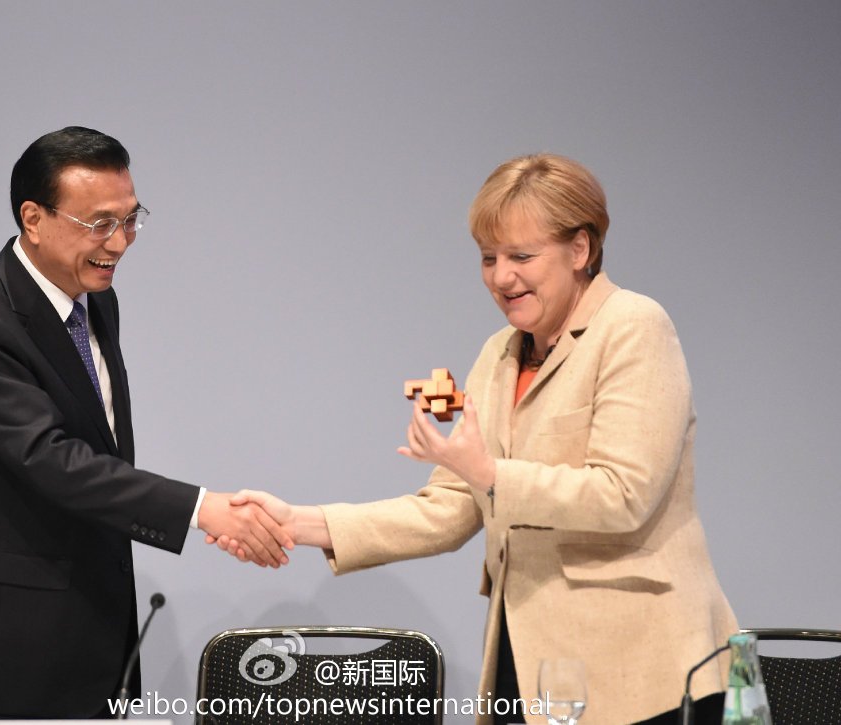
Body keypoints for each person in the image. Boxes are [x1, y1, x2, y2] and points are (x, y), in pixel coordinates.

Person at [216, 154, 737, 724]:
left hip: (640, 671)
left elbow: (623, 494)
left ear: (580, 249)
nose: (501, 277)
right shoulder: (500, 354)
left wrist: (487, 474)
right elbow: (450, 508)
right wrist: (298, 523)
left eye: (522, 256)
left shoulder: (633, 326)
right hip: (529, 659)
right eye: (489, 258)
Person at [0, 126, 291, 721]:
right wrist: (202, 509)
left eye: (130, 219)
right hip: (11, 640)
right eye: (99, 224)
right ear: (33, 218)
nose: (119, 243)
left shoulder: (96, 300)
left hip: (95, 622)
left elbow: (99, 447)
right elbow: (53, 460)